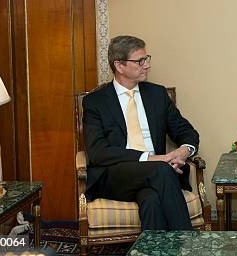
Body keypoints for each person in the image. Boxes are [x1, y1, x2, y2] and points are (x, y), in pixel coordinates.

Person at [83, 35, 199, 231]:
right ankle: (189, 246)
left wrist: (184, 151)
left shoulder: (157, 94)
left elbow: (186, 131)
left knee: (151, 200)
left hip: (156, 176)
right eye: (140, 61)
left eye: (147, 59)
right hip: (116, 175)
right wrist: (153, 159)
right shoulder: (96, 102)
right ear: (119, 65)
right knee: (161, 170)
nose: (147, 65)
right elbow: (98, 152)